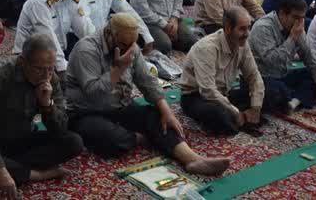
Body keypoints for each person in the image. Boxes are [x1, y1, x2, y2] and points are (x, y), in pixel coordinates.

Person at [65, 14, 231, 176]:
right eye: (123, 44)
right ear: (109, 33)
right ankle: (140, 138)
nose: (128, 49)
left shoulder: (130, 46)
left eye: (132, 44)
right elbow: (94, 93)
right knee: (111, 139)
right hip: (86, 111)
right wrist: (118, 69)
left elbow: (146, 81)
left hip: (120, 105)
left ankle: (192, 159)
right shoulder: (86, 50)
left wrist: (166, 111)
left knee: (160, 118)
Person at [0, 34, 84, 195]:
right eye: (39, 69)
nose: (46, 75)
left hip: (22, 139)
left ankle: (13, 171)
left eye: (50, 68)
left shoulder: (51, 78)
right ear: (23, 62)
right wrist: (0, 169)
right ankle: (38, 174)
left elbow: (61, 129)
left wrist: (47, 105)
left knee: (74, 142)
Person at [179, 7, 265, 135]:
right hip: (197, 96)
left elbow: (253, 76)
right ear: (228, 28)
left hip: (223, 93)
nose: (247, 33)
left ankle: (243, 118)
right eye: (242, 29)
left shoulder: (242, 43)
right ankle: (239, 119)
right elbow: (207, 90)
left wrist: (255, 108)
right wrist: (235, 112)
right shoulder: (207, 48)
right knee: (219, 116)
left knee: (266, 93)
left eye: (248, 28)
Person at [249, 0, 316, 111]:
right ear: (282, 13)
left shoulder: (297, 26)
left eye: (302, 18)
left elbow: (309, 56)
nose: (299, 22)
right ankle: (296, 98)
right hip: (263, 76)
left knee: (315, 76)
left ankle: (293, 102)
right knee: (275, 91)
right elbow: (273, 61)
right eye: (296, 17)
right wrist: (292, 38)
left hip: (283, 74)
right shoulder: (263, 27)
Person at [13, 0, 95, 72]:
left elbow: (84, 29)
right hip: (32, 58)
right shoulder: (40, 2)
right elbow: (48, 41)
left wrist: (99, 48)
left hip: (57, 52)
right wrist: (64, 70)